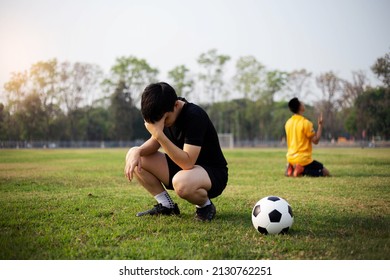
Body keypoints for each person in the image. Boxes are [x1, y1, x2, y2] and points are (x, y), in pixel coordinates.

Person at [124, 82, 228, 221]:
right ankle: (167, 205)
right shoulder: (164, 109)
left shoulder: (194, 115)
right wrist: (137, 151)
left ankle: (205, 206)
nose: (163, 124)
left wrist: (159, 134)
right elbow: (154, 143)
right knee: (136, 156)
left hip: (211, 173)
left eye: (165, 120)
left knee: (182, 183)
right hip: (183, 169)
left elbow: (187, 163)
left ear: (177, 105)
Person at [284, 97, 330, 177]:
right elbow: (315, 141)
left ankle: (291, 168)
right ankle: (302, 170)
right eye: (301, 103)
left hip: (290, 158)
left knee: (316, 168)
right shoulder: (306, 123)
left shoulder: (288, 123)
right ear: (300, 107)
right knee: (325, 172)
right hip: (303, 159)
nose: (303, 103)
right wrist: (320, 125)